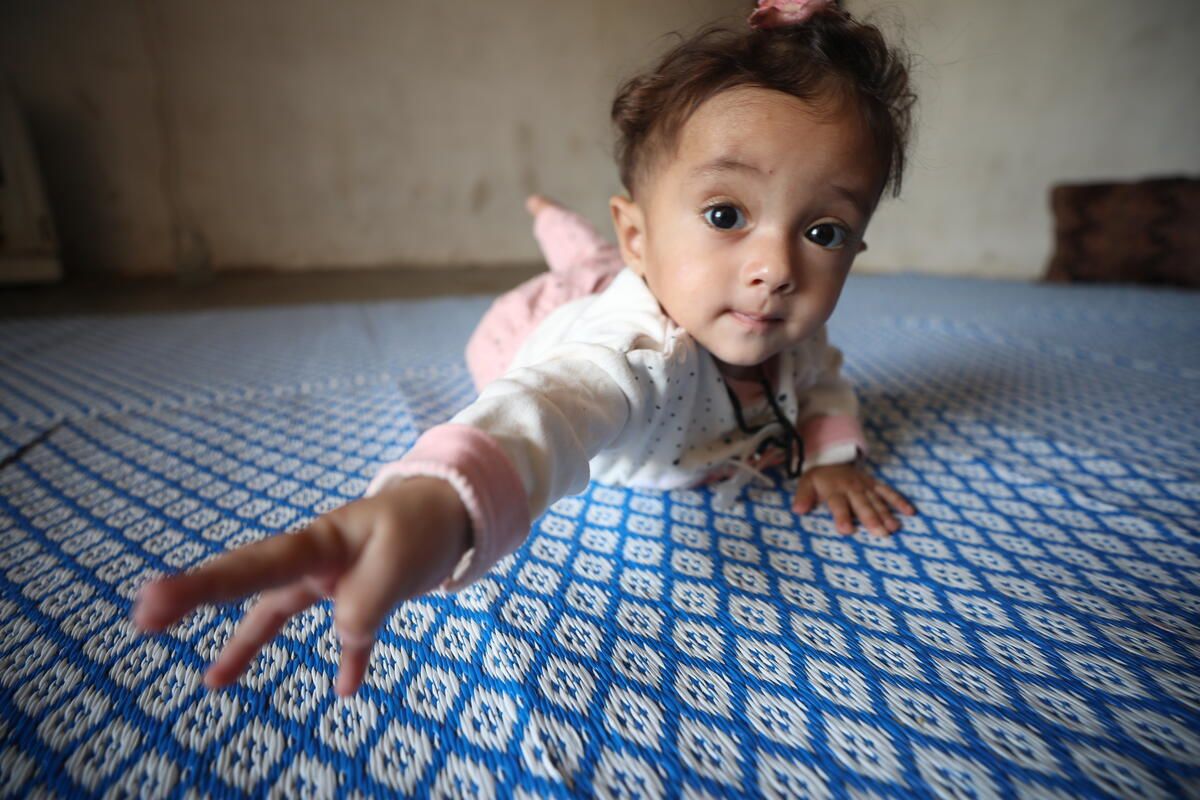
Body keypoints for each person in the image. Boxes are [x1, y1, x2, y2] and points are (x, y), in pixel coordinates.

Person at [133, 0, 919, 697]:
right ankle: (559, 225)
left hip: (636, 269)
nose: (777, 269)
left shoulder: (790, 324)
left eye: (824, 232)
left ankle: (568, 227)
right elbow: (553, 407)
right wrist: (434, 506)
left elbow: (825, 384)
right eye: (725, 215)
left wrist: (832, 453)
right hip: (538, 322)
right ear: (641, 231)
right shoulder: (640, 354)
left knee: (588, 257)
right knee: (578, 273)